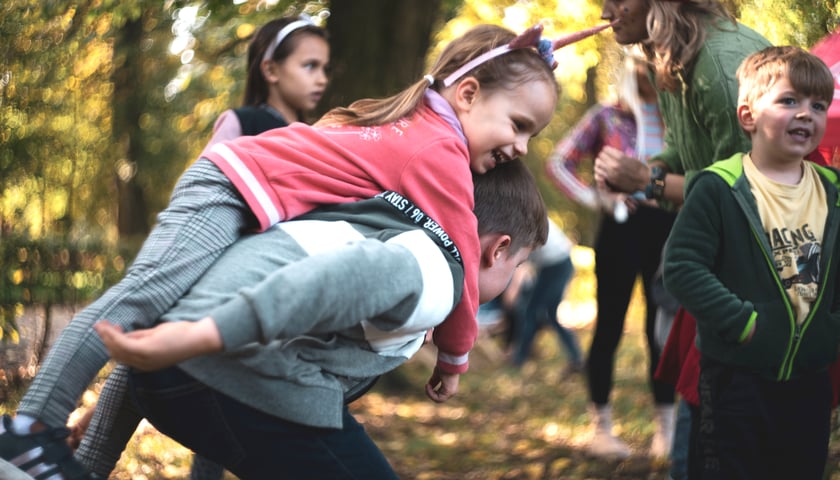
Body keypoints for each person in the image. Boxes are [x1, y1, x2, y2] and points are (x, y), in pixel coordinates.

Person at [0, 19, 602, 478]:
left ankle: (74, 464)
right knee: (142, 299)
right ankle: (32, 427)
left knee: (163, 327)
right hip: (231, 189)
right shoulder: (439, 151)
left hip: (253, 201)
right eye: (519, 125)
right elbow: (459, 259)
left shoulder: (415, 123)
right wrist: (454, 361)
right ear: (467, 93)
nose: (522, 146)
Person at [77, 159, 546, 479]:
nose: (516, 277)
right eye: (519, 264)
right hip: (229, 380)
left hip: (181, 380)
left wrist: (86, 458)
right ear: (497, 249)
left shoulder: (372, 219)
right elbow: (342, 278)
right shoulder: (436, 270)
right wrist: (200, 336)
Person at [66, 15, 331, 479]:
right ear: (271, 70)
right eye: (310, 66)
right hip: (219, 272)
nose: (322, 79)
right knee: (158, 358)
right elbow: (202, 195)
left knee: (230, 394)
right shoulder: (242, 122)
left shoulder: (318, 139)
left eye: (325, 68)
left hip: (275, 288)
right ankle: (85, 452)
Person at [592, 0, 771, 470]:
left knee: (720, 431)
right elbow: (694, 148)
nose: (604, 7)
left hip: (754, 277)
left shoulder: (720, 65)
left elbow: (749, 190)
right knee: (697, 415)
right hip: (717, 258)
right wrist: (654, 167)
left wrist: (647, 183)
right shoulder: (667, 55)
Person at [663, 45, 836, 479]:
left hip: (810, 377)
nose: (806, 114)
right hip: (735, 378)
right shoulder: (719, 187)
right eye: (789, 100)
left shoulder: (833, 190)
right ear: (748, 116)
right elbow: (682, 266)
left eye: (818, 105)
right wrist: (740, 321)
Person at [545, 52, 676, 459]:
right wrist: (595, 198)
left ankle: (667, 433)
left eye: (655, 64)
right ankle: (601, 429)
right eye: (640, 64)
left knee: (663, 330)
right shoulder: (607, 116)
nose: (647, 72)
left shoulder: (680, 116)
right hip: (619, 228)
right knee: (610, 329)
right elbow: (559, 160)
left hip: (669, 229)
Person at [509, 217, 583, 374]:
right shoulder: (527, 215)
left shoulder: (526, 220)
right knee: (538, 312)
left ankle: (520, 357)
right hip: (549, 267)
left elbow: (520, 261)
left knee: (538, 312)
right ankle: (522, 355)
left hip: (558, 265)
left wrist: (513, 290)